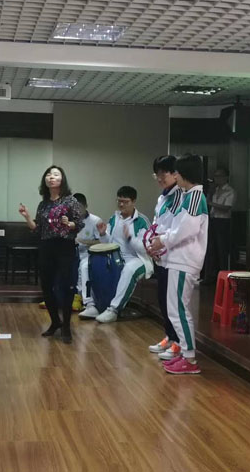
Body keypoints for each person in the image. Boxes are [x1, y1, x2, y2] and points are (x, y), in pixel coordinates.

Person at [148, 154, 209, 375]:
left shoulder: (194, 196)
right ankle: (185, 353)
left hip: (184, 260)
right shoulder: (188, 195)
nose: (175, 176)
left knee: (179, 311)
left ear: (184, 174)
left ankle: (189, 358)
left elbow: (186, 230)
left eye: (176, 172)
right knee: (176, 309)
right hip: (178, 259)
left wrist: (163, 240)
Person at [18, 165, 83, 343]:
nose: (51, 177)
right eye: (48, 174)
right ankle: (55, 321)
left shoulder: (70, 201)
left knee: (66, 287)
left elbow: (79, 223)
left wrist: (69, 223)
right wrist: (27, 217)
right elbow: (37, 229)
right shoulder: (43, 204)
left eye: (55, 174)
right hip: (46, 246)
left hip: (65, 246)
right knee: (46, 287)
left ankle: (66, 326)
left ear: (62, 180)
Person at [82, 186, 152, 323]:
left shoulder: (141, 221)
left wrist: (130, 237)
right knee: (85, 264)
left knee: (129, 269)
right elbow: (108, 243)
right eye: (119, 201)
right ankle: (90, 305)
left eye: (125, 202)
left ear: (133, 201)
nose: (121, 205)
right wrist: (103, 234)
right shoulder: (114, 218)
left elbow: (145, 249)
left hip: (138, 258)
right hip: (115, 256)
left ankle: (113, 310)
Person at [146, 156, 183, 360]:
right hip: (160, 254)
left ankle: (178, 341)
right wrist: (151, 242)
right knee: (162, 298)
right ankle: (169, 336)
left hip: (173, 255)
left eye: (163, 174)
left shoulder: (181, 196)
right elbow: (157, 222)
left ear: (175, 174)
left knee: (172, 302)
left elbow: (176, 227)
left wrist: (161, 241)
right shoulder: (163, 197)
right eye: (157, 174)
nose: (160, 178)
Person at [72, 193, 101, 316]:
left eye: (79, 208)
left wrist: (82, 241)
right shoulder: (69, 220)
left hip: (89, 254)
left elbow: (101, 241)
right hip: (72, 252)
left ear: (86, 206)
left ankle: (86, 302)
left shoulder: (95, 221)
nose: (77, 211)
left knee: (83, 267)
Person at [205, 167, 235, 284]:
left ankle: (224, 277)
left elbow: (227, 207)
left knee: (222, 249)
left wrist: (211, 203)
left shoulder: (230, 191)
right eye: (216, 176)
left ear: (226, 177)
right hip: (213, 220)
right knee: (211, 249)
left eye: (220, 176)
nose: (217, 179)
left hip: (223, 222)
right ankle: (211, 276)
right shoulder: (215, 190)